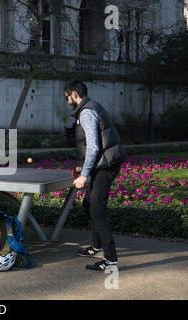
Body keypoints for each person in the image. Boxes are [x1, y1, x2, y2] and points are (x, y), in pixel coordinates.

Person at [64, 80, 127, 271]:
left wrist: (84, 175)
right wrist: (85, 168)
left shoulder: (86, 112)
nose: (67, 102)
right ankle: (97, 246)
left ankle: (111, 261)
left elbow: (93, 146)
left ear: (74, 94)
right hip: (104, 164)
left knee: (97, 212)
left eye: (67, 97)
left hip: (106, 167)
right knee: (89, 204)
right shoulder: (92, 107)